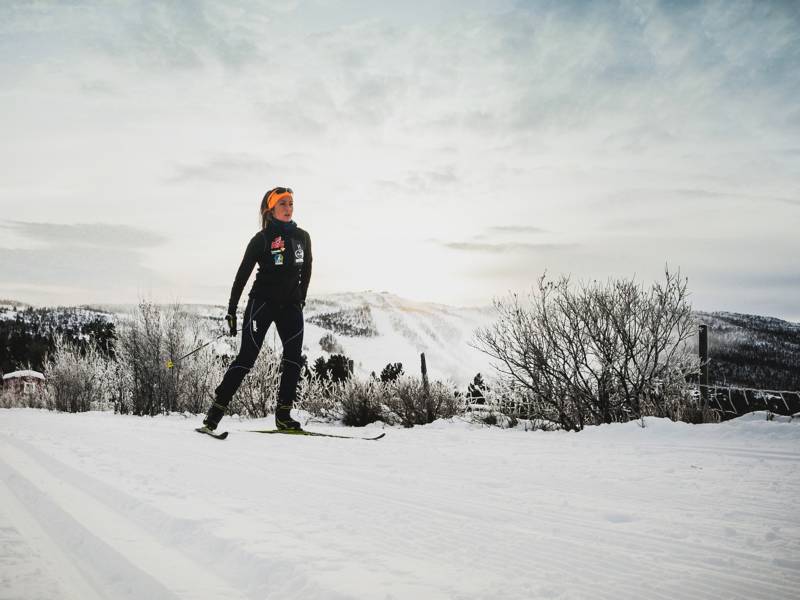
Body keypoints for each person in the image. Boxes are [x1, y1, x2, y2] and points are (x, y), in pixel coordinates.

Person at [199, 187, 312, 433]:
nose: (288, 207)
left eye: (291, 203)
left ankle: (283, 415)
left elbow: (307, 270)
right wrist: (231, 310)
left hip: (291, 307)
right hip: (262, 303)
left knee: (293, 359)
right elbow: (241, 277)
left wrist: (300, 299)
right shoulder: (261, 239)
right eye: (283, 203)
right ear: (271, 209)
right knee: (246, 359)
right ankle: (214, 415)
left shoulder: (303, 237)